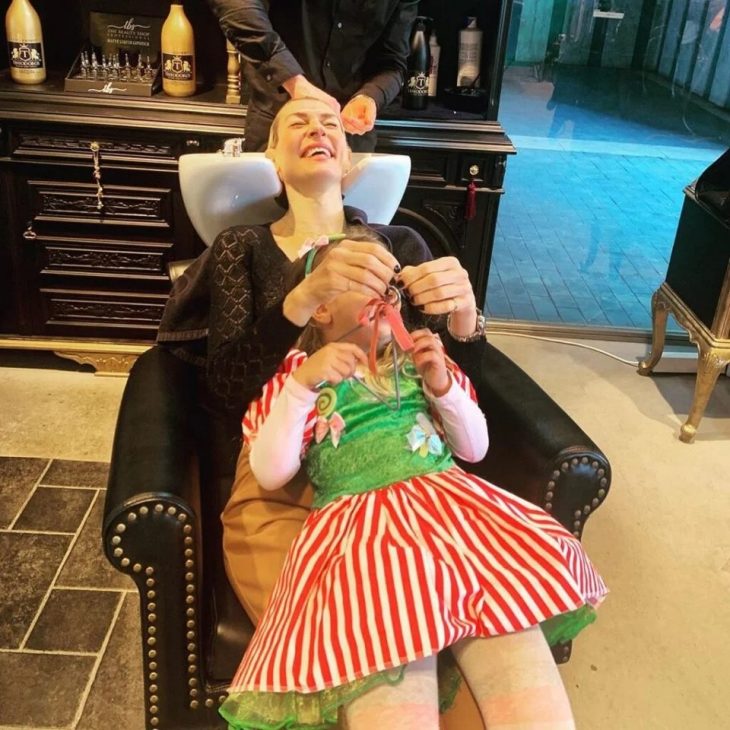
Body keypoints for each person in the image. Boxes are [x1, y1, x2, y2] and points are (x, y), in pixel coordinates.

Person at [219, 235, 607, 730]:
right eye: (363, 278)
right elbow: (271, 471)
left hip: (460, 524)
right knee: (391, 685)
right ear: (321, 308)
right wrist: (301, 387)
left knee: (527, 683)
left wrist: (443, 385)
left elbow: (474, 449)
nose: (386, 291)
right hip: (365, 542)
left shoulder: (420, 362)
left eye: (390, 283)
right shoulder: (300, 374)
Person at [206, 0, 418, 151]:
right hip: (278, 124)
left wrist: (370, 96)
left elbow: (393, 61)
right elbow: (237, 6)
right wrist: (294, 82)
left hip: (348, 134)